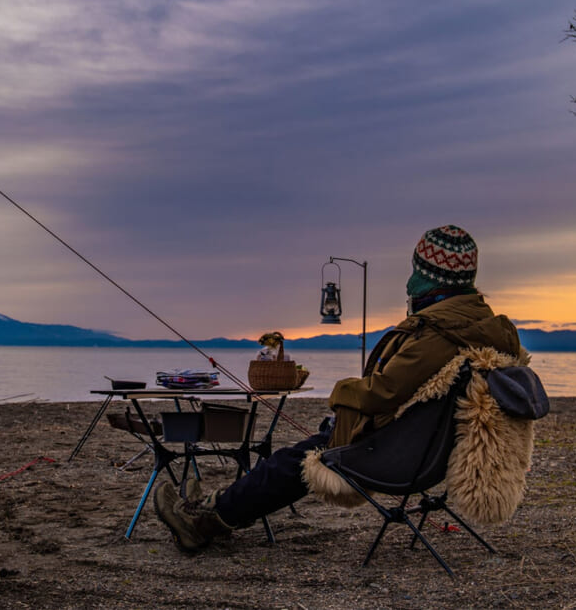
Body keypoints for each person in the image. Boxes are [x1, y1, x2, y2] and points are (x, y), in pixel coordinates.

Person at [153, 224, 523, 552]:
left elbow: (383, 392)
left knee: (291, 461)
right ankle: (217, 507)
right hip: (426, 452)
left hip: (395, 455)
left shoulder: (437, 335)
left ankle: (205, 522)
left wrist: (342, 391)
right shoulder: (484, 328)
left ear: (430, 277)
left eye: (415, 271)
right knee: (302, 451)